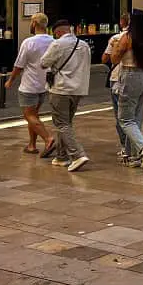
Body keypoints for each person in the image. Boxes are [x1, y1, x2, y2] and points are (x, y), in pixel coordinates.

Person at [40, 19, 92, 172]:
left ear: (58, 32)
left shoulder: (58, 44)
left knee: (61, 123)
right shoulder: (84, 45)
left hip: (61, 89)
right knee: (66, 123)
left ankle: (77, 155)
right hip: (78, 89)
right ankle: (62, 156)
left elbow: (44, 62)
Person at [110, 9, 143, 170]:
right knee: (137, 118)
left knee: (125, 119)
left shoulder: (127, 37)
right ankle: (133, 156)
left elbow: (114, 58)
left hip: (131, 74)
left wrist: (115, 45)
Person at [5, 13, 56, 157]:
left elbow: (19, 64)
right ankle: (31, 145)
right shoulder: (53, 41)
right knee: (35, 115)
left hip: (29, 85)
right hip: (44, 85)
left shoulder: (29, 42)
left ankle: (48, 138)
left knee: (29, 116)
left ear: (34, 23)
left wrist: (10, 80)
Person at [102, 13, 130, 160]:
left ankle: (127, 147)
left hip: (118, 78)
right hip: (138, 78)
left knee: (121, 116)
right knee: (134, 115)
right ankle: (133, 145)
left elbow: (105, 58)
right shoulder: (142, 37)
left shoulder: (116, 39)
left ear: (121, 22)